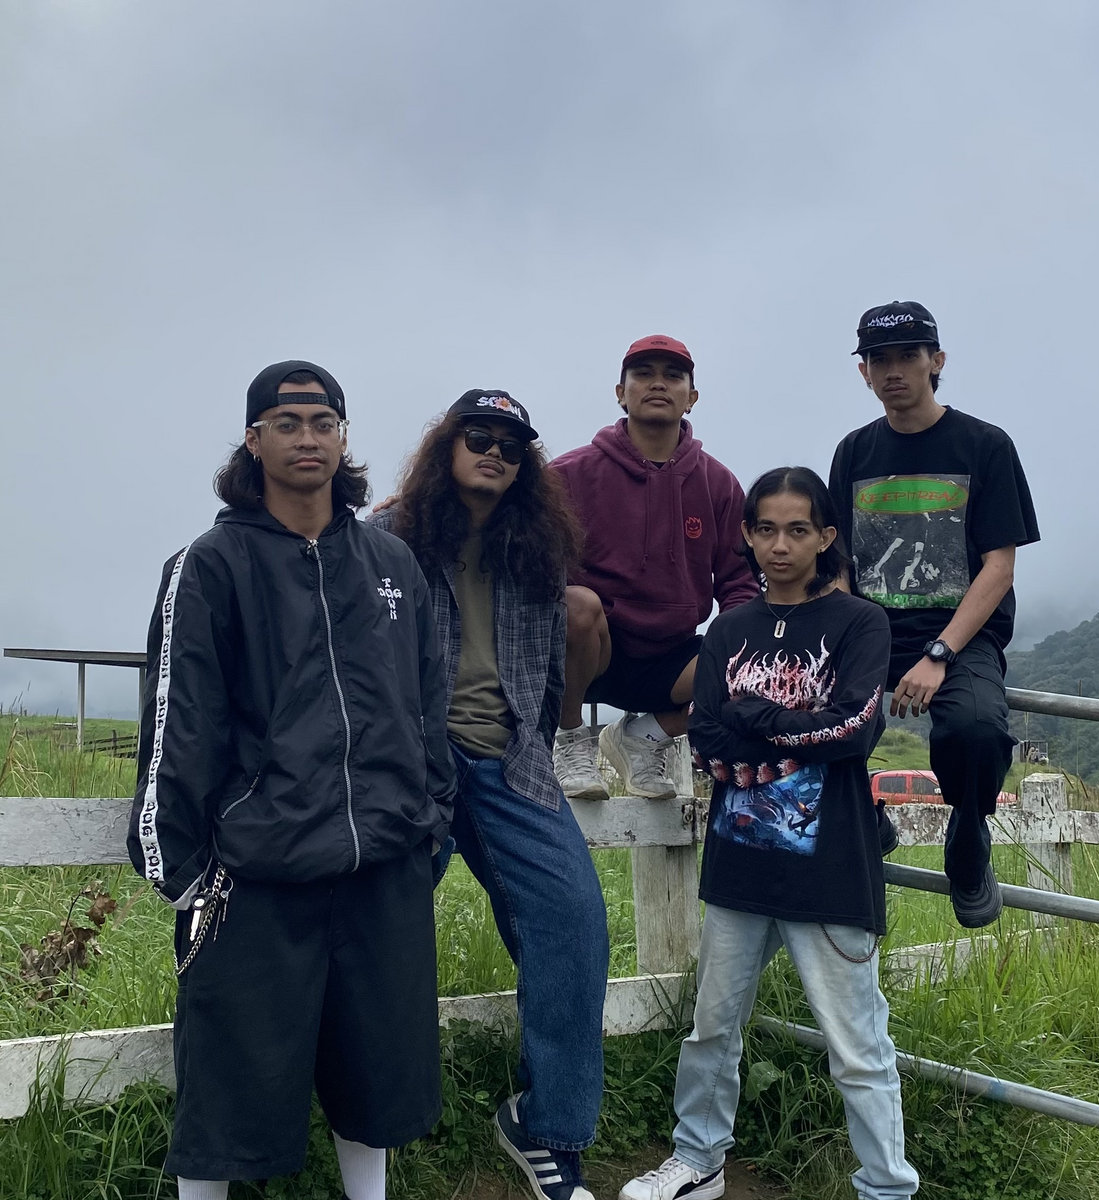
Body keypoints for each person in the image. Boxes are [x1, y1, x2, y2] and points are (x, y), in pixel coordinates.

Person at [127, 361, 455, 1200]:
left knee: (376, 1077)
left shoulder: (392, 563)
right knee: (227, 1088)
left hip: (383, 865)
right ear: (254, 440)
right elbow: (178, 722)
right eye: (286, 423)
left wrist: (429, 824)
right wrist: (184, 874)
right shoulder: (210, 565)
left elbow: (429, 703)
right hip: (255, 876)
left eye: (322, 423)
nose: (306, 438)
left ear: (343, 438)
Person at [621, 466, 919, 1200]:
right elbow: (706, 739)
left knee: (858, 1046)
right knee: (711, 1030)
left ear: (825, 537)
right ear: (748, 536)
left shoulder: (860, 622)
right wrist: (793, 728)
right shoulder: (728, 630)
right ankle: (698, 1161)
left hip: (832, 870)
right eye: (765, 530)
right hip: (739, 863)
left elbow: (856, 729)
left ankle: (886, 1188)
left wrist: (756, 717)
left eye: (797, 530)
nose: (780, 546)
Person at [370, 390, 608, 1200]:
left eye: (512, 445)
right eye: (479, 437)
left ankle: (547, 1128)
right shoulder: (386, 538)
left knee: (574, 923)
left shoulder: (534, 549)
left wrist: (534, 743)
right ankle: (361, 1120)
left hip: (511, 764)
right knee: (378, 932)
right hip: (416, 768)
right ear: (447, 445)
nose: (495, 453)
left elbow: (547, 670)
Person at [828, 301, 1040, 927]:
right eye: (879, 360)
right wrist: (846, 636)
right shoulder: (854, 452)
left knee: (975, 729)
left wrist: (940, 653)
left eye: (908, 356)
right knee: (818, 722)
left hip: (961, 635)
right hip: (869, 630)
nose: (893, 371)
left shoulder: (985, 446)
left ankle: (968, 842)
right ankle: (867, 818)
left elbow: (998, 567)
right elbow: (839, 560)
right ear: (864, 372)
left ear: (936, 361)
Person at [550, 334, 758, 801]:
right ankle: (571, 739)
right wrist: (412, 500)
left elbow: (740, 582)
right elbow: (503, 519)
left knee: (756, 661)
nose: (658, 384)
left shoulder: (720, 484)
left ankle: (644, 737)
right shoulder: (569, 474)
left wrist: (738, 642)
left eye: (673, 375)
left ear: (692, 396)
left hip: (672, 657)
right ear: (620, 393)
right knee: (575, 605)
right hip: (592, 652)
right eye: (643, 374)